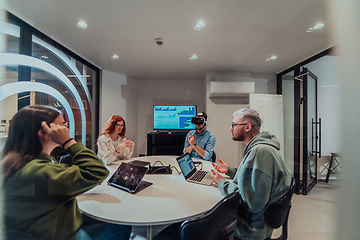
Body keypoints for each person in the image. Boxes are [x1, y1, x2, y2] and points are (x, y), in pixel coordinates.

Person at [1, 105, 131, 240]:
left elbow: (41, 191)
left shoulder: (12, 165)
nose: (67, 129)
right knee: (122, 223)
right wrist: (68, 142)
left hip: (40, 229)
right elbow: (98, 170)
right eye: (62, 125)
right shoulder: (43, 172)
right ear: (44, 132)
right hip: (62, 235)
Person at [211, 108, 292, 240]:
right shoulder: (263, 148)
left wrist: (221, 182)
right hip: (259, 223)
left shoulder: (260, 152)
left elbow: (251, 203)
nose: (231, 128)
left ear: (247, 127)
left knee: (205, 220)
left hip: (250, 229)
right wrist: (229, 171)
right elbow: (252, 179)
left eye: (234, 125)